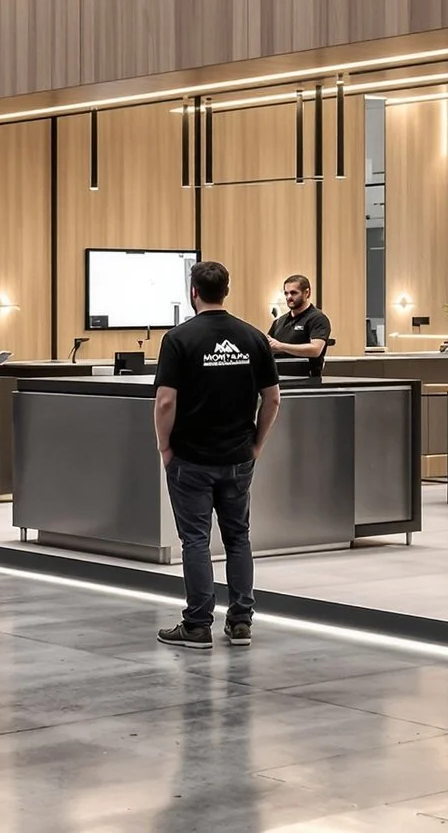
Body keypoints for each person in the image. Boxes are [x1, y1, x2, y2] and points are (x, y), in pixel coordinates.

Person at [154, 260, 279, 650]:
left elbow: (164, 402)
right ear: (226, 290)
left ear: (194, 292)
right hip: (239, 457)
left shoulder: (179, 338)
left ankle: (197, 625)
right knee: (238, 537)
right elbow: (272, 398)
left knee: (195, 540)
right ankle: (241, 622)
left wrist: (164, 446)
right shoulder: (253, 337)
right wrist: (256, 444)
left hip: (190, 458)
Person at [266, 274, 331, 377]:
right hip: (280, 381)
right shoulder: (279, 321)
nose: (289, 297)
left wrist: (281, 346)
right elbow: (269, 346)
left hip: (306, 383)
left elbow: (315, 350)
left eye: (293, 293)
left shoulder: (317, 318)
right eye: (286, 293)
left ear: (307, 293)